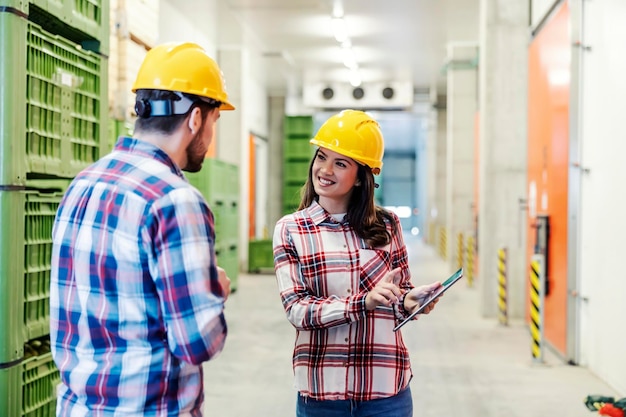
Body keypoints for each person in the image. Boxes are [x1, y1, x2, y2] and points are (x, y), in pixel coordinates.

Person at [50, 42, 235, 416]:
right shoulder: (176, 200)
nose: (210, 135)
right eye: (215, 121)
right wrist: (214, 290)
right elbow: (198, 342)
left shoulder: (84, 183)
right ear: (196, 118)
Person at [273, 109, 444, 417]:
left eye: (341, 163)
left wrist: (409, 300)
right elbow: (297, 310)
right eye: (322, 157)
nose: (325, 169)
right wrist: (363, 302)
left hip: (386, 391)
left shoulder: (388, 223)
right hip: (323, 394)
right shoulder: (292, 229)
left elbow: (397, 293)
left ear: (361, 177)